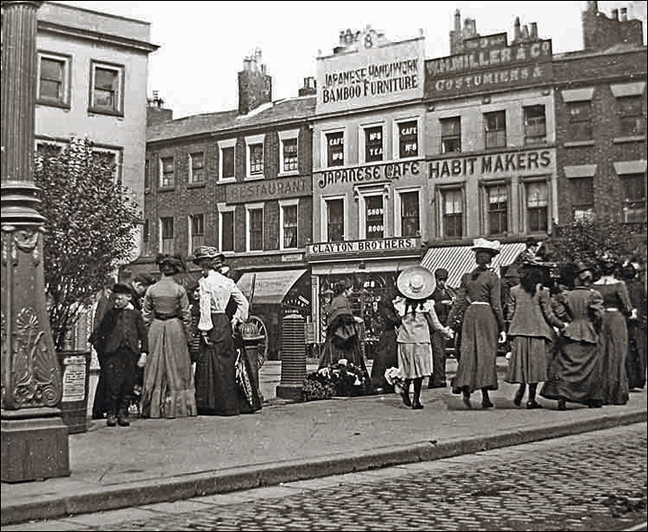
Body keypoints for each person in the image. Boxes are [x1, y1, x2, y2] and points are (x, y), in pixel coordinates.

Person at [193, 246, 261, 415]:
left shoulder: (205, 283)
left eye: (201, 264)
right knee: (225, 362)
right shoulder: (227, 282)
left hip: (213, 323)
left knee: (209, 362)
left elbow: (205, 308)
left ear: (204, 265)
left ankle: (210, 404)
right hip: (224, 321)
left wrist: (204, 330)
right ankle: (229, 404)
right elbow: (243, 303)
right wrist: (236, 320)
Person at [447, 238, 506, 409]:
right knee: (486, 355)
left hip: (470, 315)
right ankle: (485, 396)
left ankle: (465, 389)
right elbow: (496, 304)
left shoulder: (467, 277)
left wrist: (450, 323)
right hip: (486, 316)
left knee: (468, 354)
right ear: (491, 259)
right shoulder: (493, 277)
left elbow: (458, 302)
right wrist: (502, 327)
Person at [540, 261, 605, 410]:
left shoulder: (566, 295)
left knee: (565, 365)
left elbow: (558, 310)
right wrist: (596, 327)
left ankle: (562, 395)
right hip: (587, 331)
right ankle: (590, 397)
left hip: (571, 330)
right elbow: (599, 315)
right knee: (588, 367)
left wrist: (567, 322)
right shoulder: (593, 295)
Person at [140, 253, 197, 419]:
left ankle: (153, 407)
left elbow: (145, 315)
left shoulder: (152, 289)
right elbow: (186, 315)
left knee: (154, 366)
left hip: (156, 328)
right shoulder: (179, 290)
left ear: (161, 270)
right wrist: (188, 336)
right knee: (178, 366)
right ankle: (178, 408)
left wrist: (147, 333)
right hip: (174, 328)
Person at [505, 262, 567, 409]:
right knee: (534, 367)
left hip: (519, 331)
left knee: (522, 365)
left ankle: (521, 388)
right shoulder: (542, 291)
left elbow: (510, 313)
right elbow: (548, 314)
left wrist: (509, 328)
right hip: (538, 332)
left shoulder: (514, 291)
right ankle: (531, 399)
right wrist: (561, 325)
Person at [89, 283, 148, 427]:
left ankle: (123, 413)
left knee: (128, 383)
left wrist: (144, 353)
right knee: (112, 384)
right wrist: (103, 351)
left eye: (120, 299)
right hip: (113, 354)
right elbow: (99, 334)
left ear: (128, 297)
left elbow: (144, 335)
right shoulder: (110, 314)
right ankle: (111, 413)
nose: (117, 302)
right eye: (115, 299)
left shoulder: (136, 315)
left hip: (130, 353)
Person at [395, 266, 453, 410]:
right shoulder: (427, 305)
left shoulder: (402, 304)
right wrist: (447, 332)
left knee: (408, 369)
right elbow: (435, 324)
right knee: (420, 371)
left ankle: (405, 389)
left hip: (405, 340)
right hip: (421, 340)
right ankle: (416, 400)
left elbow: (398, 322)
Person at [593, 255, 633, 405]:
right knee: (617, 354)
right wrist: (629, 312)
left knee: (601, 354)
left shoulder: (594, 285)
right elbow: (627, 307)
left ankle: (601, 392)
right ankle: (616, 393)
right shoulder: (619, 284)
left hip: (601, 320)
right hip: (616, 319)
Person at [318, 279, 367, 373]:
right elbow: (342, 317)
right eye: (351, 289)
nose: (352, 292)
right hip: (343, 338)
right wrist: (354, 319)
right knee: (346, 363)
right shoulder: (342, 300)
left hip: (335, 337)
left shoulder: (337, 300)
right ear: (345, 290)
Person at [91, 275, 117, 420]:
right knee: (106, 376)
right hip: (104, 345)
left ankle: (100, 409)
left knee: (106, 376)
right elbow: (100, 325)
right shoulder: (105, 302)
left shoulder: (104, 301)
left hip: (102, 344)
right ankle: (99, 409)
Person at [369, 286, 402, 393]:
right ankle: (384, 381)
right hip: (391, 333)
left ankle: (384, 381)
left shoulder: (387, 299)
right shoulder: (389, 301)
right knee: (388, 357)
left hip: (390, 333)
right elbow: (390, 318)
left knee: (385, 357)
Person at [427, 268, 456, 389]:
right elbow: (428, 307)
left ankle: (437, 378)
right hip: (435, 326)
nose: (442, 283)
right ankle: (439, 379)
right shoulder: (431, 292)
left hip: (445, 325)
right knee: (438, 353)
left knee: (442, 354)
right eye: (440, 280)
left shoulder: (449, 291)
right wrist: (442, 303)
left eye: (444, 280)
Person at [623, 261, 646, 391]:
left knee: (632, 350)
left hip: (631, 321)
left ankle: (633, 379)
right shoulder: (639, 286)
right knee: (638, 349)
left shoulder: (629, 286)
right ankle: (637, 379)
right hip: (637, 322)